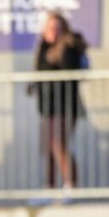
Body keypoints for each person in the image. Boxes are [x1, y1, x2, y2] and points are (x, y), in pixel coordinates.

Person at [32, 11, 87, 191]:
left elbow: (69, 72)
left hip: (66, 107)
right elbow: (39, 73)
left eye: (57, 28)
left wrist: (62, 49)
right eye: (50, 28)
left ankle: (70, 185)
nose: (53, 32)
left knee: (59, 144)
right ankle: (49, 187)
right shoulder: (42, 49)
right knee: (48, 149)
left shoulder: (68, 48)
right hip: (47, 108)